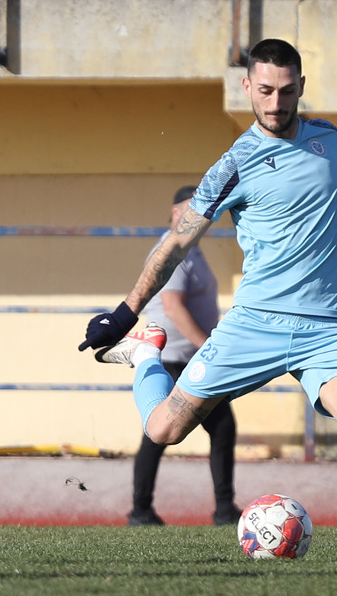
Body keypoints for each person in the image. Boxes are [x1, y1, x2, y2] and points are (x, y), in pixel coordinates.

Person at [79, 38, 337, 559]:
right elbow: (175, 243)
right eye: (266, 91)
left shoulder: (326, 138)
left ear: (301, 87)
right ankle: (146, 353)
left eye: (288, 91)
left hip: (326, 328)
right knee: (162, 429)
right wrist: (125, 314)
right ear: (247, 87)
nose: (277, 104)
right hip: (255, 324)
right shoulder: (234, 164)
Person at [127, 185, 241, 527]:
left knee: (219, 429)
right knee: (160, 433)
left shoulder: (191, 250)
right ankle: (143, 510)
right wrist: (210, 347)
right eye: (193, 209)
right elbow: (173, 308)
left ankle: (220, 509)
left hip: (191, 358)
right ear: (176, 213)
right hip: (177, 359)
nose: (201, 216)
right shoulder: (172, 250)